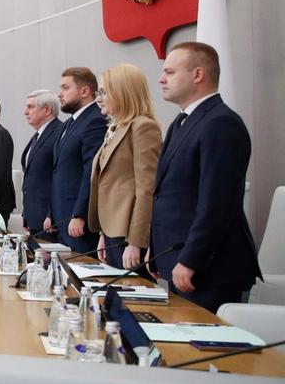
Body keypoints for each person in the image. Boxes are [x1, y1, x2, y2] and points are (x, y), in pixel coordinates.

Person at [150, 42, 261, 311]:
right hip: (179, 261)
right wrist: (157, 249)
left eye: (170, 72)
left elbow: (217, 203)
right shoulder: (181, 122)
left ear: (197, 75)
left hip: (208, 268)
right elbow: (167, 193)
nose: (161, 79)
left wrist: (191, 259)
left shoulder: (221, 123)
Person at [87, 64, 162, 268]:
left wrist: (135, 242)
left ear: (123, 92)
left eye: (104, 92)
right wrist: (103, 234)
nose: (98, 99)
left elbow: (146, 189)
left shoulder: (143, 127)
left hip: (129, 234)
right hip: (112, 232)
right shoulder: (116, 127)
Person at [49, 67, 107, 253]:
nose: (59, 94)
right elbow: (59, 171)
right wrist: (51, 213)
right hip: (62, 217)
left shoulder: (96, 120)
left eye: (65, 88)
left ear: (84, 91)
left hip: (78, 220)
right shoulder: (68, 124)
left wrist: (79, 214)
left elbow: (91, 171)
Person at [20, 90, 63, 240]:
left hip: (49, 220)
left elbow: (59, 177)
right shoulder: (39, 135)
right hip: (35, 216)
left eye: (31, 107)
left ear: (47, 109)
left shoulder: (59, 132)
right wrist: (26, 214)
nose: (25, 112)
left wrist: (51, 214)